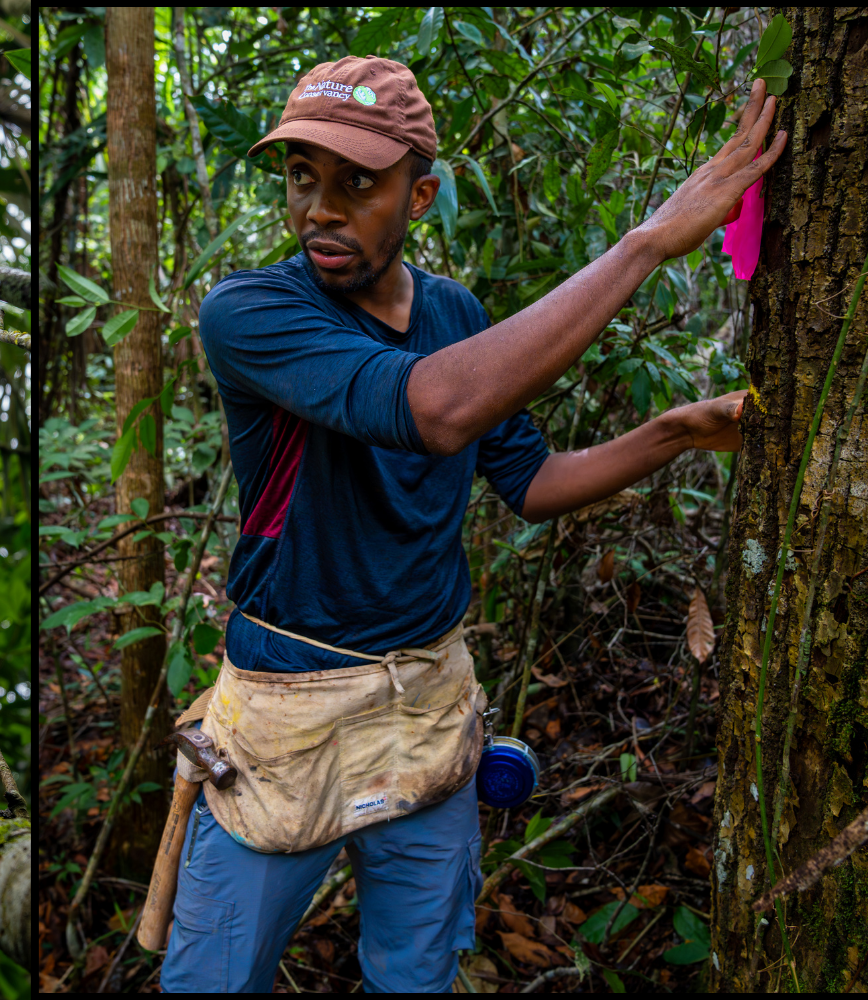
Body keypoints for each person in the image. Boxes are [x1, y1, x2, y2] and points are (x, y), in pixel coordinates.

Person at [165, 54, 784, 993]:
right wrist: (646, 244)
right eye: (303, 179)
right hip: (286, 711)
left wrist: (676, 432)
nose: (319, 210)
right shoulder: (249, 312)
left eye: (356, 184)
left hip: (427, 702)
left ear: (420, 197)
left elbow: (527, 479)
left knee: (415, 974)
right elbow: (436, 409)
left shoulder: (454, 315)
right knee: (211, 980)